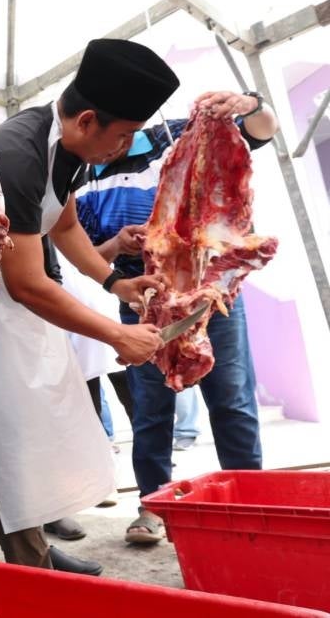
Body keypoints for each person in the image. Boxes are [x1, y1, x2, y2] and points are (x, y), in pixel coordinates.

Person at [0, 38, 179, 576]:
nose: (124, 147)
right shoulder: (17, 155)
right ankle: (28, 566)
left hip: (15, 300)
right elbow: (29, 284)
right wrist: (117, 334)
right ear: (86, 120)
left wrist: (114, 282)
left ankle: (36, 544)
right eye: (123, 135)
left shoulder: (71, 149)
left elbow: (63, 223)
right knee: (10, 431)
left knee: (40, 423)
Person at [76, 88, 277, 544]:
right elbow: (84, 255)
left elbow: (262, 131)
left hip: (210, 293)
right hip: (143, 300)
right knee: (151, 410)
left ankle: (252, 501)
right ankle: (153, 505)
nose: (107, 147)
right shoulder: (84, 176)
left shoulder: (177, 138)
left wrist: (251, 105)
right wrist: (118, 245)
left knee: (232, 401)